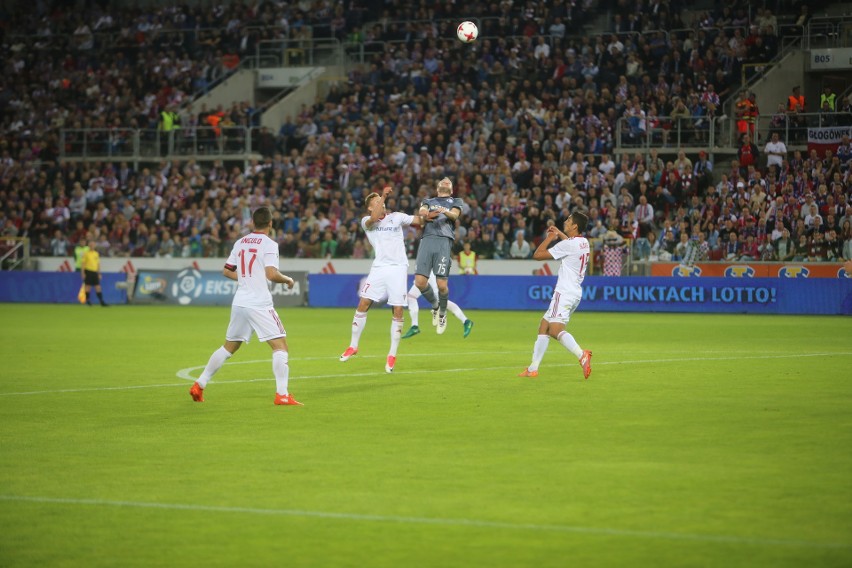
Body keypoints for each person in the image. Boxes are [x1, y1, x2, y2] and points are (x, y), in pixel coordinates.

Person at [189, 206, 302, 406]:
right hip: (259, 303)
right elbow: (271, 274)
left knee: (229, 347)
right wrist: (288, 280)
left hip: (240, 301)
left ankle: (200, 383)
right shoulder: (269, 244)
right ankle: (282, 395)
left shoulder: (240, 243)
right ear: (270, 223)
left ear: (252, 223)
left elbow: (226, 270)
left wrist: (245, 279)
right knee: (280, 346)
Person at [339, 186, 422, 372]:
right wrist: (383, 196)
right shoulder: (366, 221)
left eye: (381, 201)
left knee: (398, 309)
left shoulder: (397, 217)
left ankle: (392, 354)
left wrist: (430, 214)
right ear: (370, 207)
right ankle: (353, 345)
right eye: (376, 202)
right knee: (363, 304)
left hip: (398, 268)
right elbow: (374, 218)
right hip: (379, 267)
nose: (381, 204)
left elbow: (418, 220)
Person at [518, 212, 593, 380]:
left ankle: (582, 355)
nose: (565, 221)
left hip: (564, 292)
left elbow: (537, 255)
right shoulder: (583, 242)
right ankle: (533, 368)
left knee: (555, 330)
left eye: (568, 220)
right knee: (544, 326)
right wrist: (560, 234)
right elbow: (570, 244)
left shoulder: (570, 245)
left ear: (575, 226)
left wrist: (551, 237)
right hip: (574, 292)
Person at [413, 177, 464, 335]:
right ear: (437, 188)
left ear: (452, 189)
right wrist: (425, 213)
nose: (446, 180)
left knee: (442, 285)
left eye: (449, 181)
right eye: (443, 181)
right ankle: (435, 306)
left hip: (444, 242)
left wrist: (443, 211)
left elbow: (455, 216)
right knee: (420, 282)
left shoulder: (456, 201)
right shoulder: (428, 200)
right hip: (427, 240)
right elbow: (422, 212)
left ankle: (442, 313)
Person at [402, 271, 473, 339]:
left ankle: (466, 321)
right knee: (411, 297)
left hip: (432, 274)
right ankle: (414, 326)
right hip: (424, 273)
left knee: (440, 301)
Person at [81, 239, 107, 306]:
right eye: (90, 245)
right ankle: (88, 301)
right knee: (88, 286)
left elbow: (98, 264)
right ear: (89, 246)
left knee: (98, 286)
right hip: (88, 271)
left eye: (93, 245)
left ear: (95, 246)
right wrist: (83, 273)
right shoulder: (86, 253)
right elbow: (83, 264)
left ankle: (101, 301)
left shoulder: (96, 254)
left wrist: (99, 273)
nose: (92, 246)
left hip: (95, 272)